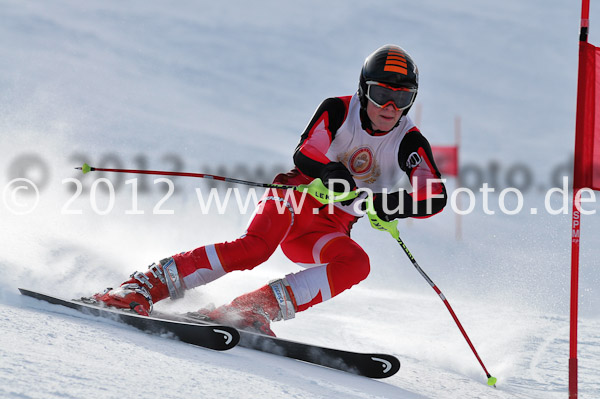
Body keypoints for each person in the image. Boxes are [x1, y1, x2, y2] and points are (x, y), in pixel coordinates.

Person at [92, 44, 448, 336]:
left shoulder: (409, 141)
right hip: (293, 198)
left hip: (327, 227)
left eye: (401, 99)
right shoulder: (339, 110)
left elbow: (433, 195)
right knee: (255, 248)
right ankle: (141, 286)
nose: (389, 108)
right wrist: (327, 171)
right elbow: (305, 151)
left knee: (356, 263)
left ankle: (250, 309)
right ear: (363, 90)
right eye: (381, 94)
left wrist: (395, 204)